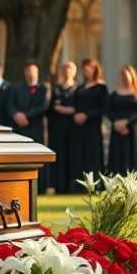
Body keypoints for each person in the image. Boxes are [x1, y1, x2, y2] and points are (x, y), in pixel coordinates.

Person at [7, 60, 49, 192]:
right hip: (20, 128)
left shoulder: (44, 88)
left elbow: (44, 106)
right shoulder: (16, 88)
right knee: (21, 156)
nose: (31, 73)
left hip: (36, 127)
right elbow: (9, 105)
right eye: (28, 71)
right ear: (25, 73)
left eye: (33, 71)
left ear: (37, 72)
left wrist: (26, 116)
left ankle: (40, 186)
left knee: (37, 155)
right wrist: (16, 115)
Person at [69, 58, 108, 188]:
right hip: (78, 127)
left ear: (95, 69)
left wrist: (87, 115)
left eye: (89, 67)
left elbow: (103, 108)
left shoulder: (101, 87)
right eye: (84, 67)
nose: (86, 69)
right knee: (80, 154)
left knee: (93, 154)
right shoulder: (79, 88)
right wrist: (76, 115)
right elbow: (74, 104)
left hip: (93, 125)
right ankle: (79, 185)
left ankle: (95, 185)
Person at [107, 65, 137, 177]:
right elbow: (108, 111)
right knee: (117, 157)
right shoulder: (114, 94)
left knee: (133, 156)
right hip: (117, 130)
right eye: (122, 75)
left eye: (126, 75)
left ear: (132, 75)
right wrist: (116, 122)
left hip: (133, 130)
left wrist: (127, 122)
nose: (124, 77)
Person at [47, 61, 78, 193]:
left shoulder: (77, 89)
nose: (67, 72)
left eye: (70, 69)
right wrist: (65, 109)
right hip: (57, 128)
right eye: (65, 69)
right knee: (59, 156)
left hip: (74, 128)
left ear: (74, 72)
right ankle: (59, 185)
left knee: (72, 155)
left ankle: (71, 185)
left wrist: (65, 109)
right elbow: (51, 108)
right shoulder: (56, 89)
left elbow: (78, 107)